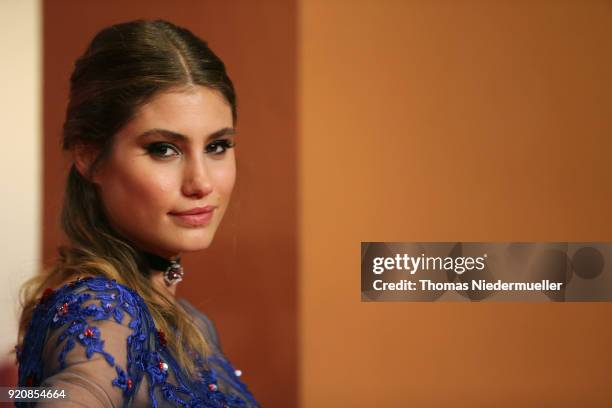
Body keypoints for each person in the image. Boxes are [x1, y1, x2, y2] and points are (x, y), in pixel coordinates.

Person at [15, 19, 260, 407]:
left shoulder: (187, 320)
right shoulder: (103, 311)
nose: (201, 182)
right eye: (164, 149)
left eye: (217, 146)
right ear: (89, 155)